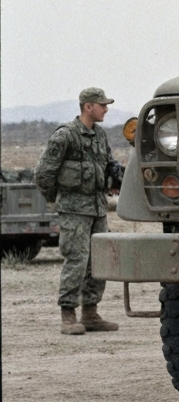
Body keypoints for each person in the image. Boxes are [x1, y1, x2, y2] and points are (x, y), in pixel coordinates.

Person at [35, 88, 123, 334]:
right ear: (88, 106)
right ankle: (68, 315)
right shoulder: (66, 136)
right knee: (77, 259)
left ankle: (91, 313)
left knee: (98, 260)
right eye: (102, 105)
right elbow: (44, 173)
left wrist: (114, 177)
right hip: (74, 210)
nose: (106, 109)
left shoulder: (100, 135)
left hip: (97, 208)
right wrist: (56, 199)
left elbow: (107, 164)